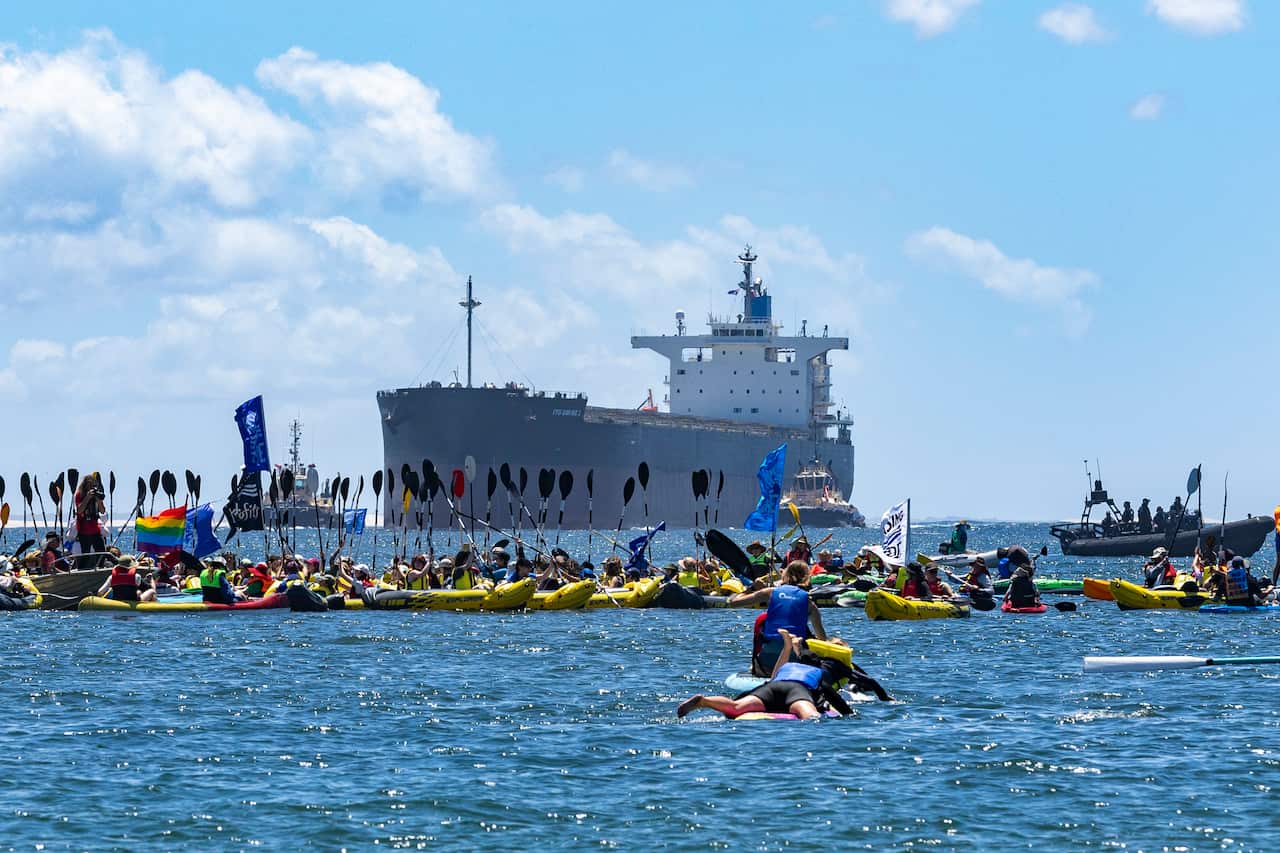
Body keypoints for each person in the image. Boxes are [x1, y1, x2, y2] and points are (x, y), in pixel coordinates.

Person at [676, 629, 853, 720]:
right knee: (811, 717)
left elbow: (772, 678)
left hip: (771, 688)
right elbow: (828, 693)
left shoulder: (789, 667)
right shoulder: (817, 672)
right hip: (797, 692)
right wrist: (849, 714)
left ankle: (704, 701)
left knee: (736, 707)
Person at [727, 561, 827, 676]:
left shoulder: (770, 592)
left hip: (768, 660)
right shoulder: (810, 603)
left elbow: (733, 602)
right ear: (807, 577)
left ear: (785, 574)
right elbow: (822, 639)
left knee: (762, 623)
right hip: (795, 661)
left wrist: (752, 588)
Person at [74, 473, 108, 569]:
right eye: (89, 485)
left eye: (93, 485)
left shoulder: (96, 495)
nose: (91, 488)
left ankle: (100, 568)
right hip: (83, 529)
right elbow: (79, 510)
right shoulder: (79, 495)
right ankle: (81, 570)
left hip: (95, 529)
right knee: (86, 553)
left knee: (101, 551)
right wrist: (87, 498)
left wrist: (98, 500)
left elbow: (102, 511)